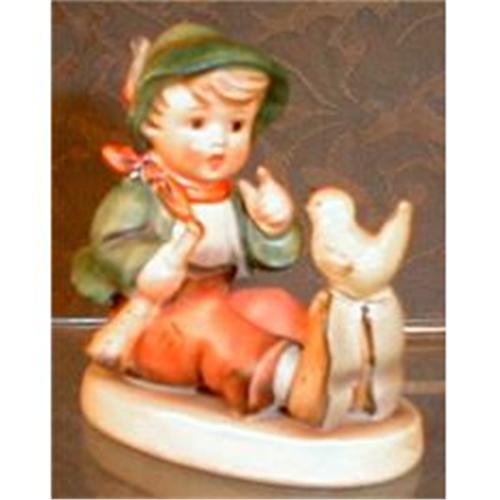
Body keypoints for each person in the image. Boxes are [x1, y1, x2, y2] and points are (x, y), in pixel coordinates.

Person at [72, 22, 309, 414]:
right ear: (150, 125)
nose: (219, 140)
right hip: (155, 325)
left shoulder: (233, 198)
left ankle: (325, 368)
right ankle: (284, 382)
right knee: (208, 322)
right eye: (197, 123)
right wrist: (148, 267)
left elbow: (271, 257)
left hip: (219, 304)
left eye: (236, 125)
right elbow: (111, 245)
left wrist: (273, 228)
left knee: (275, 305)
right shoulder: (141, 195)